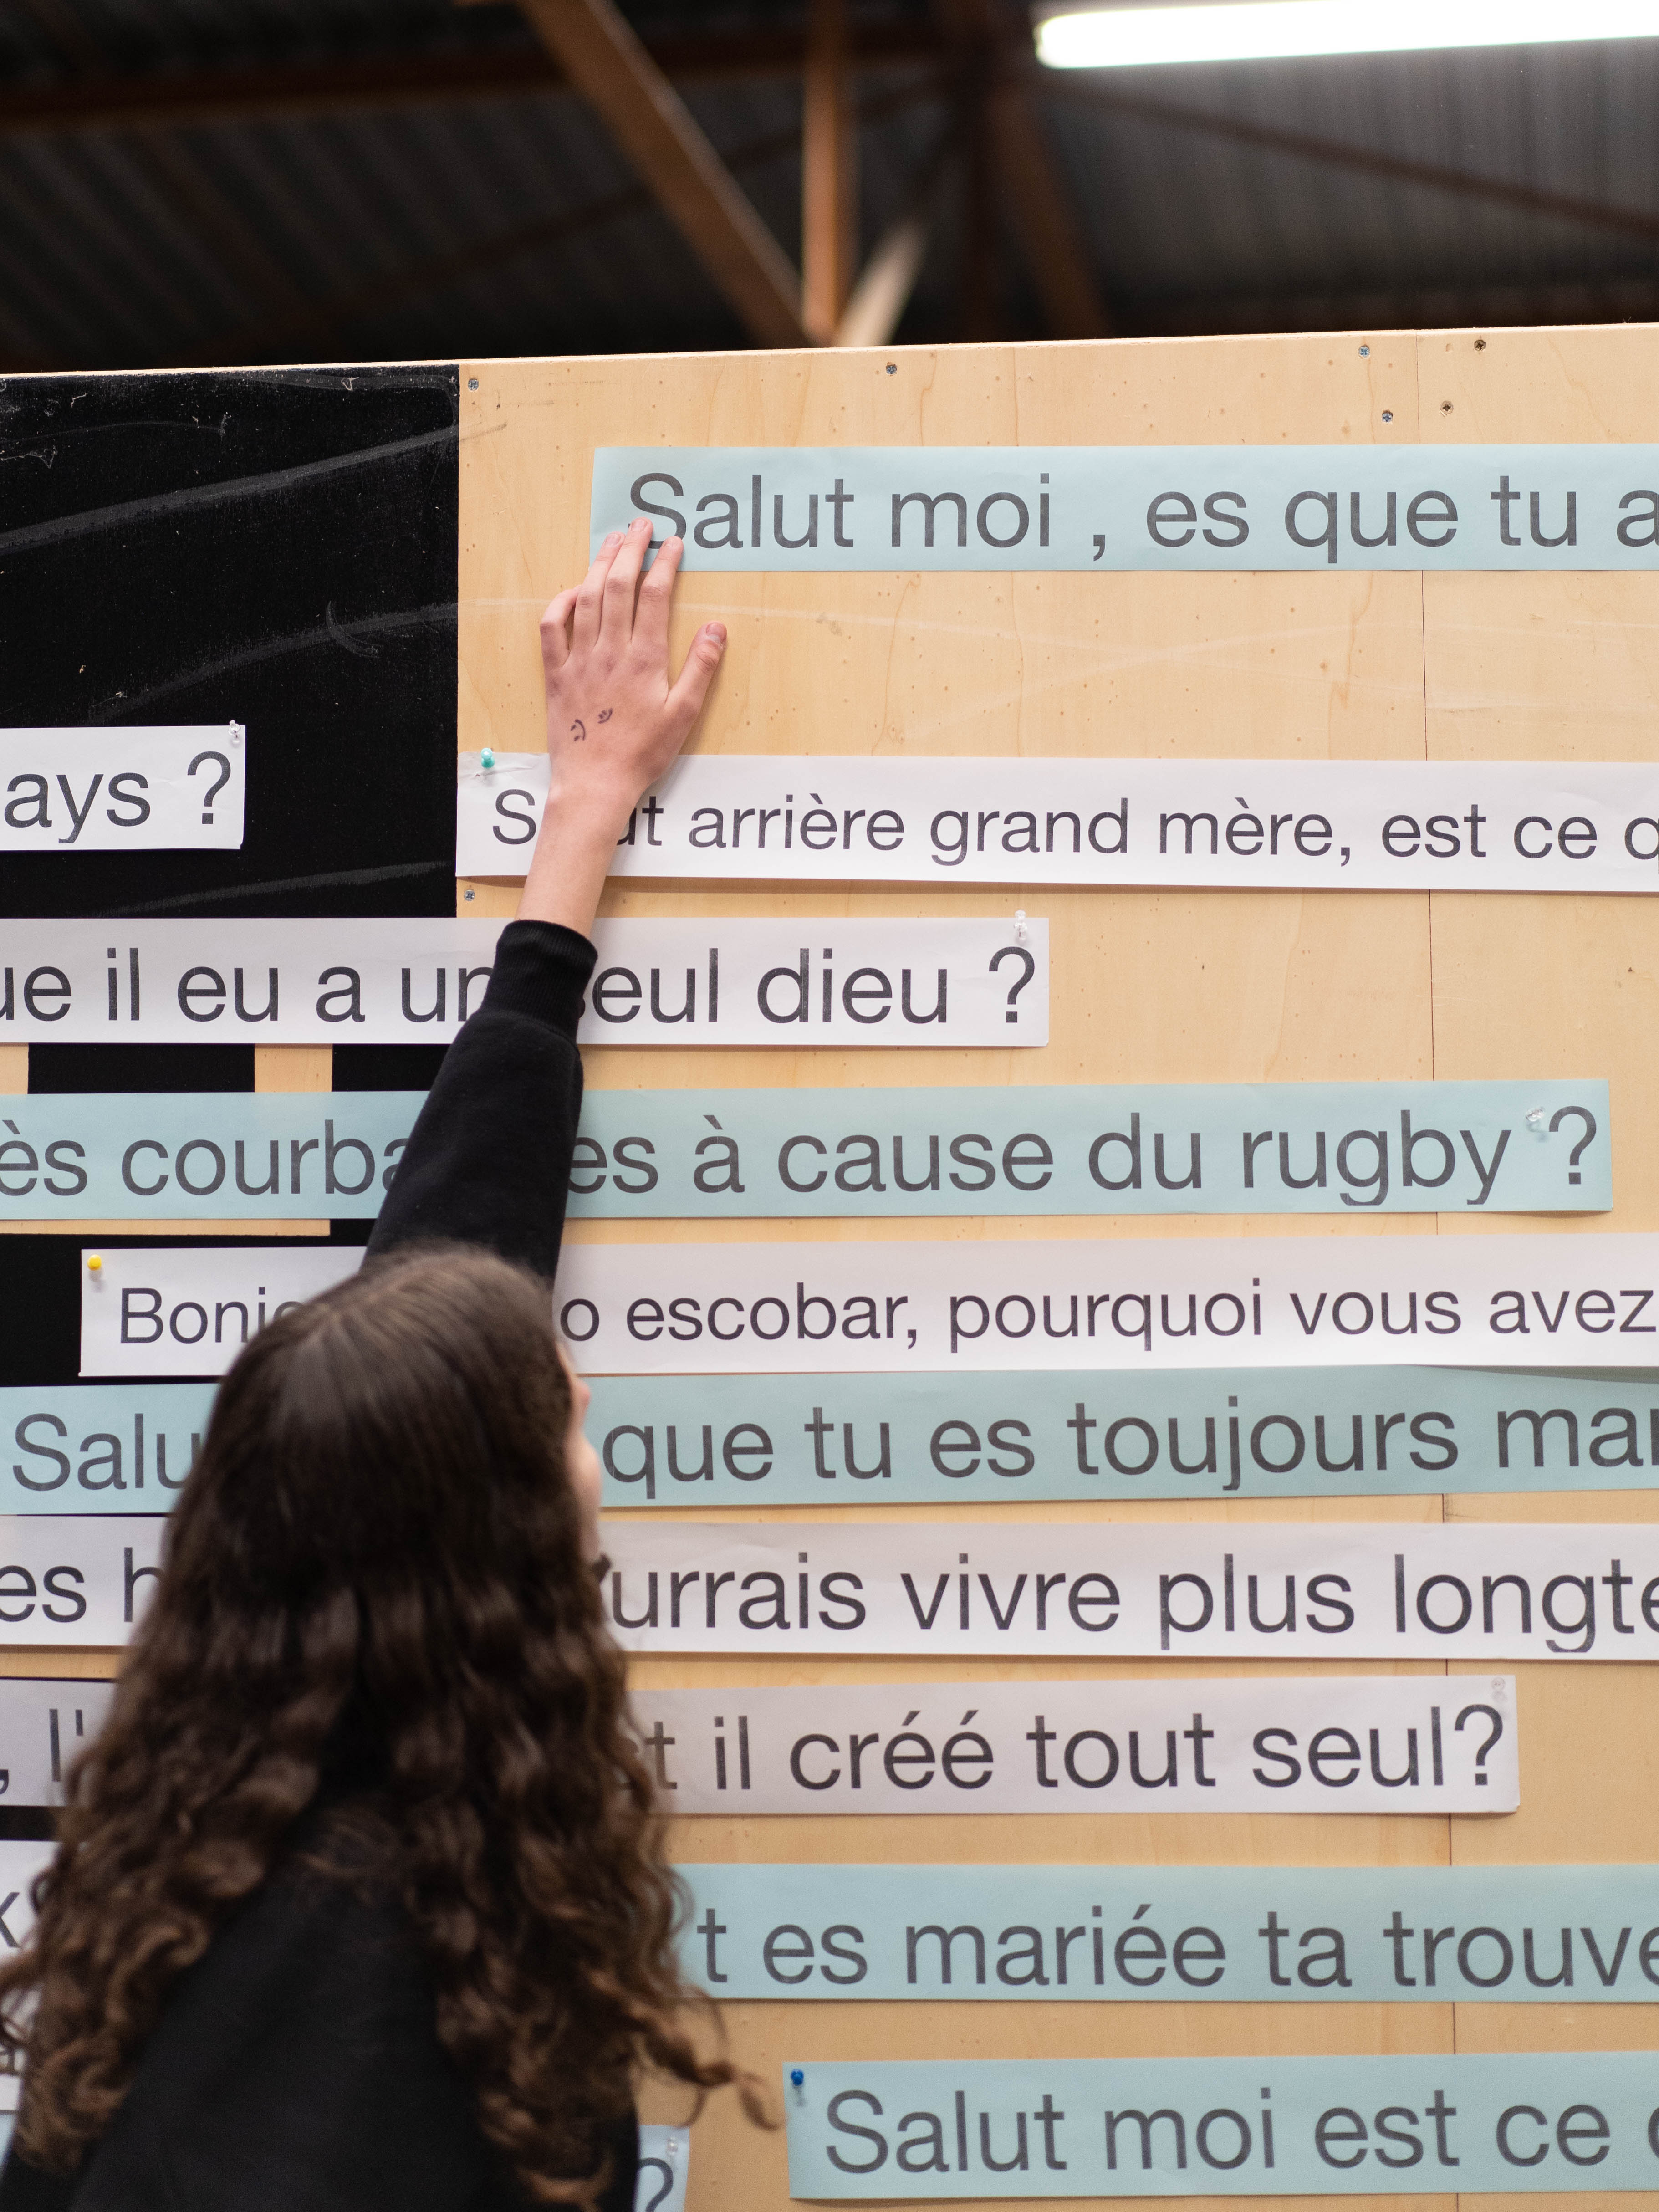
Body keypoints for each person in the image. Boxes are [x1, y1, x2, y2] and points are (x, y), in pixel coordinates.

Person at [0, 518, 752, 2211]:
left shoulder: (193, 1848)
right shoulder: (434, 2000)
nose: (591, 1425)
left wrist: (575, 840)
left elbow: (434, 1298)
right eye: (558, 1421)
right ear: (486, 1544)